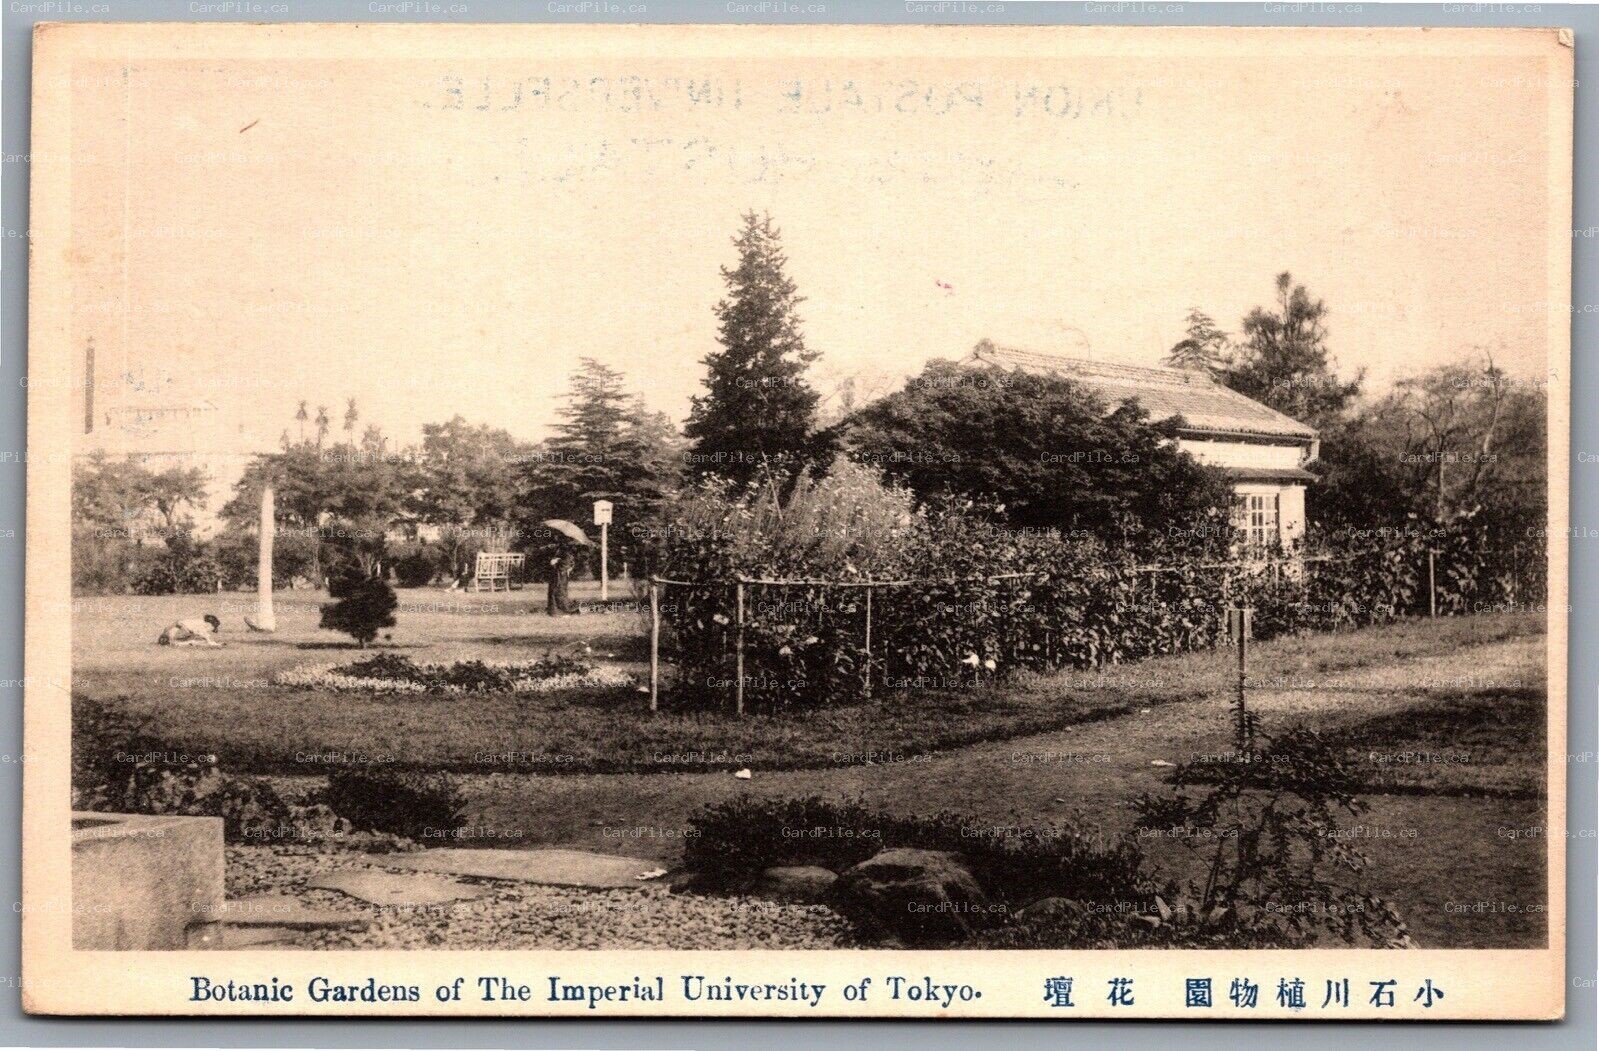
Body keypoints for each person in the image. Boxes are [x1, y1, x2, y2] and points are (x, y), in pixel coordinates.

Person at [546, 546, 581, 616]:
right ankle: (556, 610)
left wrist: (557, 561)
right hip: (559, 574)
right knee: (556, 591)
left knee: (559, 592)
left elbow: (568, 562)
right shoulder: (563, 551)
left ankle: (563, 610)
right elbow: (570, 563)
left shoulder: (565, 552)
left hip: (560, 574)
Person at [157, 613, 225, 647]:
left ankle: (174, 642)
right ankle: (174, 642)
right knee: (194, 640)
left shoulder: (200, 624)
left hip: (170, 634)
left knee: (196, 639)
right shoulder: (201, 626)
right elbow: (178, 623)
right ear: (209, 624)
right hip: (172, 634)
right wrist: (217, 644)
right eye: (214, 626)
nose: (214, 629)